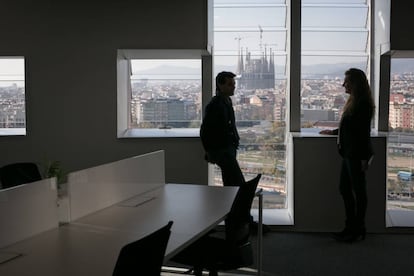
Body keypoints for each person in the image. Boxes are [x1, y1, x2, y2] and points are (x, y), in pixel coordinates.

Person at [200, 71, 269, 234]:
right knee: (240, 187)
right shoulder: (216, 105)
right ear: (220, 85)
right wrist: (211, 151)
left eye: (234, 84)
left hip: (226, 151)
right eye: (230, 84)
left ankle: (236, 222)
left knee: (233, 188)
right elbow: (205, 131)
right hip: (223, 152)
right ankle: (244, 221)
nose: (234, 87)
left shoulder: (225, 101)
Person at [320, 68, 375, 242]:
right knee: (348, 189)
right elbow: (350, 127)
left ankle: (357, 228)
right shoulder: (356, 101)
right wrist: (334, 132)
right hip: (349, 153)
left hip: (355, 154)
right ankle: (352, 227)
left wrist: (365, 158)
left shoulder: (363, 103)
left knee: (358, 192)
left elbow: (362, 132)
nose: (343, 84)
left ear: (355, 84)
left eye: (347, 82)